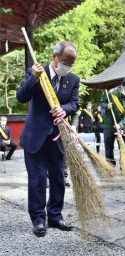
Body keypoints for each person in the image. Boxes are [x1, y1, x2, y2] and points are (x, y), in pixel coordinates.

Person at [17, 41, 79, 237]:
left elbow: (75, 103)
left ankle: (55, 216)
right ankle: (38, 219)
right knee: (37, 180)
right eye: (64, 62)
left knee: (58, 178)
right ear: (55, 57)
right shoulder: (36, 71)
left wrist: (64, 109)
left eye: (70, 64)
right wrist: (33, 79)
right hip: (35, 136)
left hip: (57, 137)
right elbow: (21, 96)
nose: (66, 67)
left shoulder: (73, 79)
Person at [100, 77, 125, 166]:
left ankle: (124, 166)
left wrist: (121, 125)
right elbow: (101, 103)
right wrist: (107, 105)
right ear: (122, 86)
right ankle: (110, 165)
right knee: (108, 147)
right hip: (109, 125)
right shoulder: (111, 93)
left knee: (124, 148)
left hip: (122, 126)